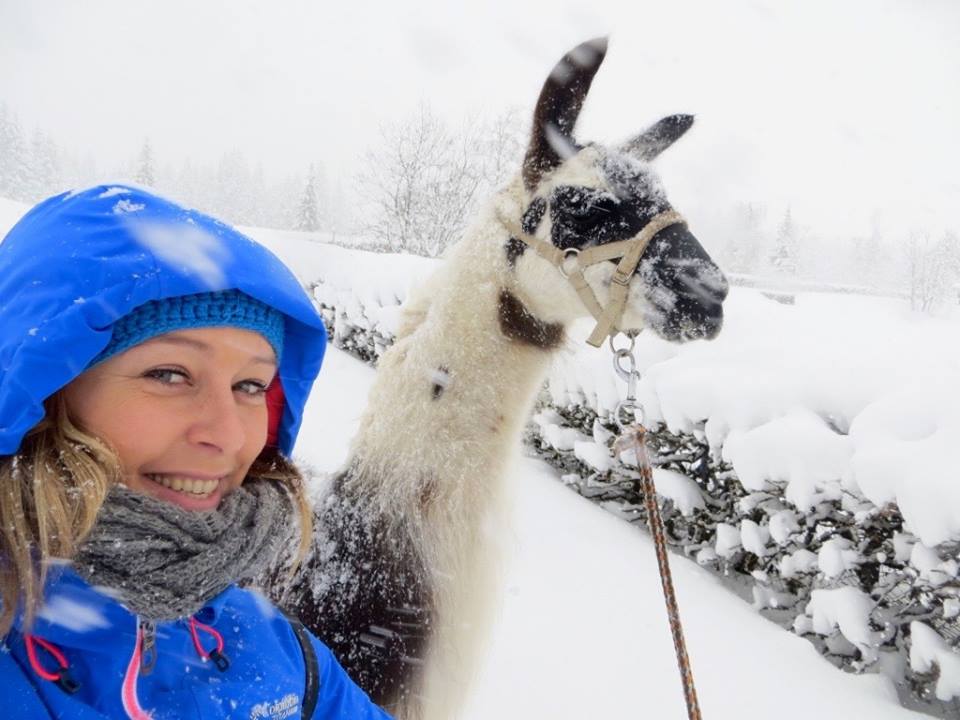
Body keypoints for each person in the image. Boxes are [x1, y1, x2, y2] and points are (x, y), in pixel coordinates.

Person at [0, 185, 393, 719]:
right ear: (43, 395)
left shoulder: (281, 655)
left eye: (251, 386)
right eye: (169, 374)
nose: (228, 436)